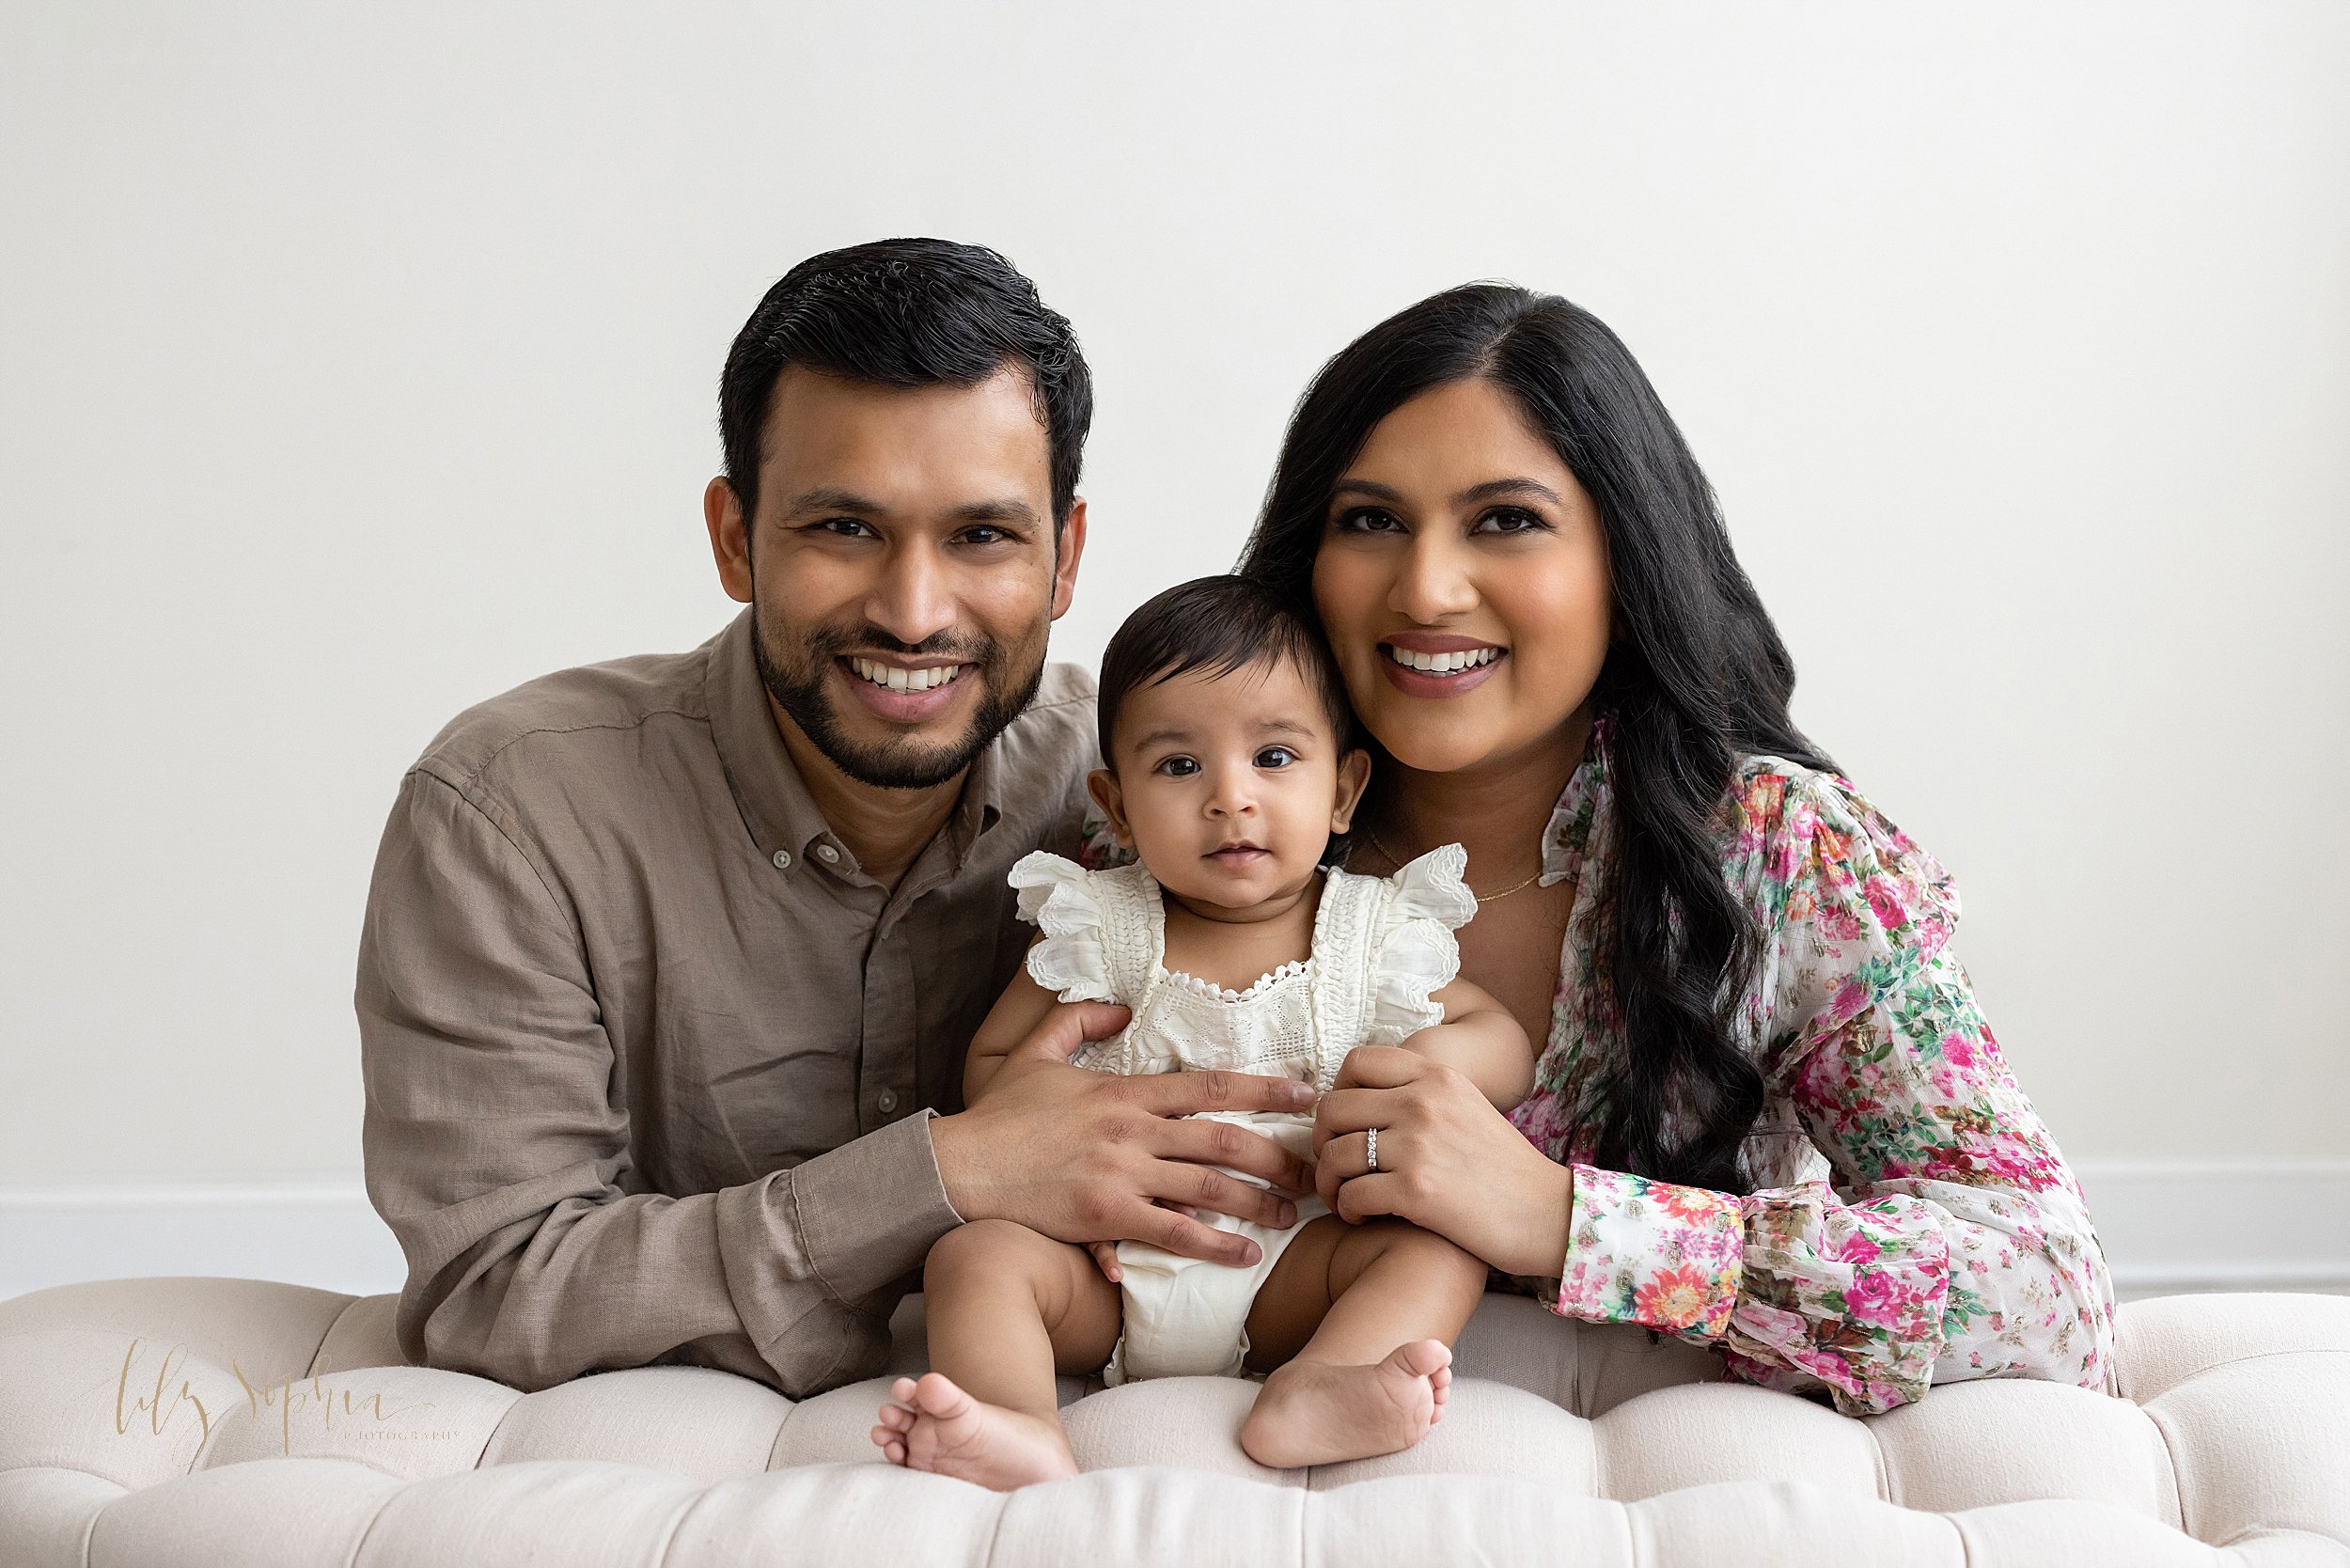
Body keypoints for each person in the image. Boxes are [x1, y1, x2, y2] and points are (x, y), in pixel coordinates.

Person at [355, 240, 1321, 1397]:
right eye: (844, 530)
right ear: (733, 539)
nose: (914, 614)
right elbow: (493, 1289)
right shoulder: (511, 815)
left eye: (981, 536)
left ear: (1064, 559)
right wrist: (952, 1169)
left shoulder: (1149, 797)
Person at [1239, 283, 2119, 1417]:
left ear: (1625, 555)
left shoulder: (1779, 854)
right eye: (1370, 521)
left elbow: (2049, 1298)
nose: (1426, 588)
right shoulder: (1210, 819)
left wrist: (1564, 1219)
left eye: (1505, 519)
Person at [870, 575, 1533, 1486]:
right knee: (971, 1259)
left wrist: (1414, 1066)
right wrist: (1035, 1098)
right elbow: (992, 1069)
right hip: (1100, 1270)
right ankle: (1014, 1421)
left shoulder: (1375, 934)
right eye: (1179, 767)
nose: (1229, 798)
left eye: (1272, 758)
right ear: (1117, 806)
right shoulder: (1098, 926)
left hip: (1296, 1267)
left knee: (1436, 1247)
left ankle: (1321, 1383)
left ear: (1343, 790)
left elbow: (1502, 1040)